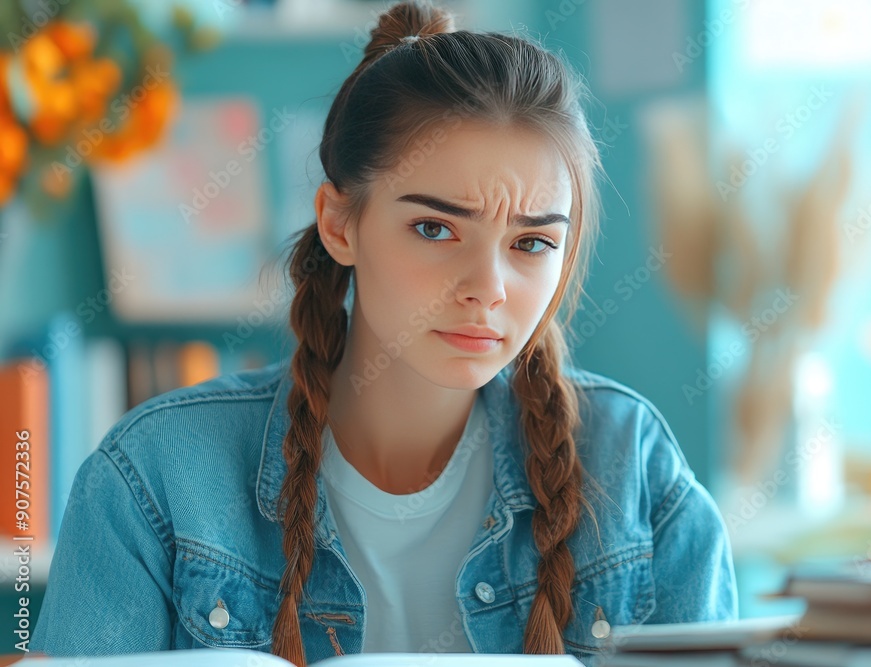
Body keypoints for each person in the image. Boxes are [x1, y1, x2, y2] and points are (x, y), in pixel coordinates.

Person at [28, 2, 737, 665]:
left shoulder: (635, 469)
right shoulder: (154, 477)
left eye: (530, 244)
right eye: (435, 228)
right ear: (341, 224)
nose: (487, 287)